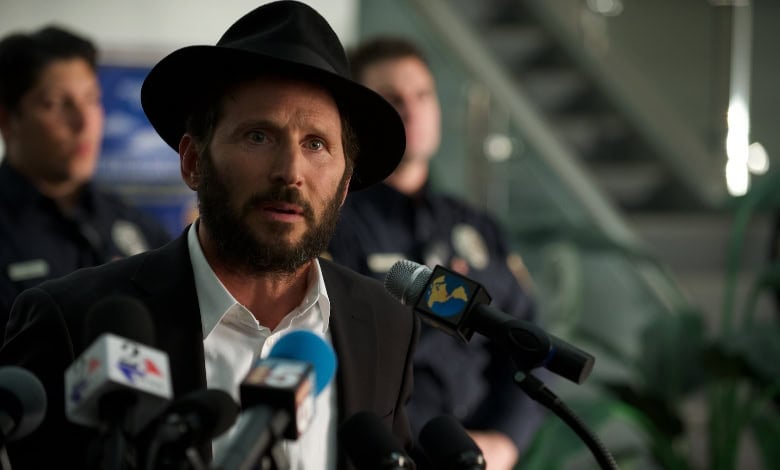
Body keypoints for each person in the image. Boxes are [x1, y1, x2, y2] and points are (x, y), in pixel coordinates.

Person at [0, 3, 416, 469]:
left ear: (344, 185)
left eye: (316, 144)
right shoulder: (70, 322)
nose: (290, 171)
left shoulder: (386, 325)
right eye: (258, 136)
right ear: (193, 161)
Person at [327, 36, 545, 469]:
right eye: (393, 98)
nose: (412, 109)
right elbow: (347, 365)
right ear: (360, 117)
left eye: (423, 95)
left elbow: (526, 345)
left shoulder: (478, 226)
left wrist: (506, 440)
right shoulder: (336, 227)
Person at [0, 25, 171, 341]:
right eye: (56, 104)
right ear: (8, 119)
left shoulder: (135, 225)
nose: (84, 122)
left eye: (91, 99)